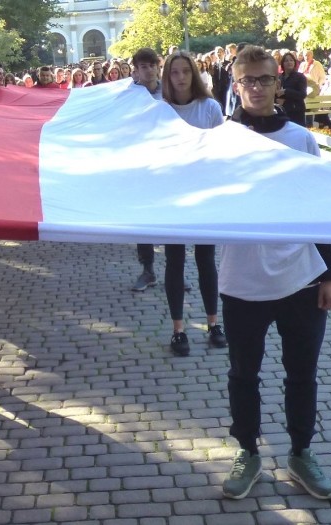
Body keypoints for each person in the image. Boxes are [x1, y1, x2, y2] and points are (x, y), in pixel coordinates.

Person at [221, 45, 331, 501]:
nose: (255, 87)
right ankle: (247, 452)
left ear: (278, 83)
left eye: (264, 79)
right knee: (243, 375)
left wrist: (329, 273)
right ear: (236, 85)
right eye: (247, 80)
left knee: (301, 374)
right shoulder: (220, 140)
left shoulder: (299, 138)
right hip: (242, 280)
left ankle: (300, 453)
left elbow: (319, 209)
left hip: (301, 277)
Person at [160, 51, 228, 355]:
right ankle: (178, 330)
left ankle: (214, 323)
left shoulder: (210, 107)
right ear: (168, 76)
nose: (181, 77)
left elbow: (221, 152)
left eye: (186, 71)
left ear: (194, 73)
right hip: (171, 198)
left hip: (204, 196)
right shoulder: (159, 110)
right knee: (174, 262)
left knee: (206, 261)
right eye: (174, 72)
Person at [129, 47, 164, 291]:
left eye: (152, 65)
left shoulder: (171, 92)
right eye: (143, 66)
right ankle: (148, 269)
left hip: (167, 161)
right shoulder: (129, 94)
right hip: (140, 162)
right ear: (136, 70)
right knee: (142, 219)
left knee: (172, 217)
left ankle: (176, 269)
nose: (148, 70)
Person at [276, 52, 308, 127]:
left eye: (291, 60)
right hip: (283, 111)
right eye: (286, 61)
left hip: (296, 111)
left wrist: (286, 91)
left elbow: (302, 94)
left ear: (294, 62)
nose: (289, 62)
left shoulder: (300, 77)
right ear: (283, 63)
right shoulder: (279, 77)